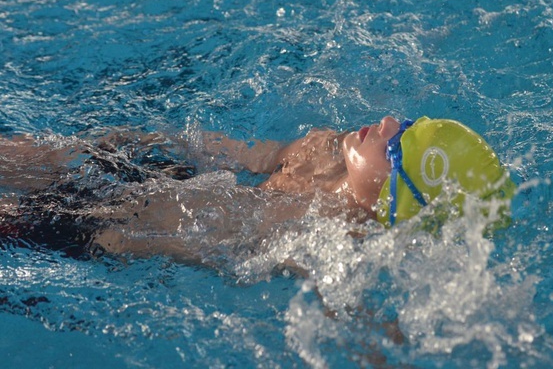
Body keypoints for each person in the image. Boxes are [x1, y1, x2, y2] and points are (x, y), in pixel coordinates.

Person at [0, 116, 514, 265]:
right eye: (403, 122)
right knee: (51, 152)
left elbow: (349, 319)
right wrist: (136, 143)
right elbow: (231, 154)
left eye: (398, 141)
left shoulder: (341, 240)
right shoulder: (320, 148)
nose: (385, 122)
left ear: (394, 199)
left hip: (111, 230)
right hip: (159, 174)